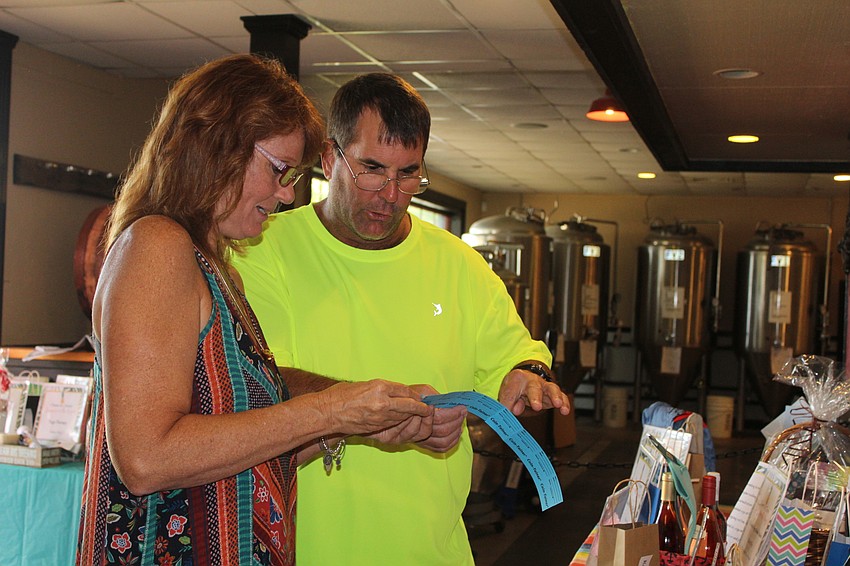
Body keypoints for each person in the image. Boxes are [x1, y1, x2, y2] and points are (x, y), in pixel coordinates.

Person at [76, 56, 442, 566]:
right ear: (217, 148)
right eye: (278, 170)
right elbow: (146, 457)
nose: (286, 192)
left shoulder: (216, 267)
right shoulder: (157, 246)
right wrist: (330, 408)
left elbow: (241, 456)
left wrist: (355, 424)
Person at [233, 72, 571, 565]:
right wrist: (375, 410)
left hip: (433, 552)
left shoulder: (459, 264)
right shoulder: (261, 249)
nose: (390, 194)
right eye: (372, 169)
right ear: (330, 159)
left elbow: (515, 352)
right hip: (303, 551)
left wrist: (528, 374)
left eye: (408, 173)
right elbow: (258, 385)